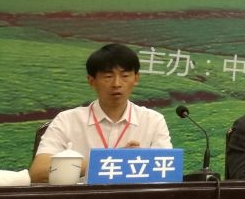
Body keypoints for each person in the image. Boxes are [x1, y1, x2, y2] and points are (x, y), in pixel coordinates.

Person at [29, 43, 172, 183]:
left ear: (136, 78)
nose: (117, 84)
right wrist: (115, 161)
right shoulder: (67, 120)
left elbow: (167, 172)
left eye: (125, 76)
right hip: (82, 198)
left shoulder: (153, 121)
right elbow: (37, 172)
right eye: (108, 76)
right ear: (91, 81)